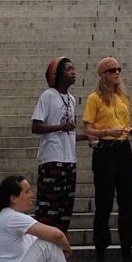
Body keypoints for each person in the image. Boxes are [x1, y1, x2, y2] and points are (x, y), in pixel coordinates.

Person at [82, 55, 132, 262]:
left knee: (129, 200)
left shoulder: (123, 98)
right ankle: (100, 252)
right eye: (112, 70)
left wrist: (129, 131)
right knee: (104, 200)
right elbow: (87, 129)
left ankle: (128, 250)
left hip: (123, 147)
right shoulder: (94, 98)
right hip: (105, 148)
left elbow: (123, 122)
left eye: (118, 69)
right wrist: (107, 131)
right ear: (103, 75)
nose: (116, 73)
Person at [30, 57, 81, 235]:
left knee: (65, 208)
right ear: (58, 74)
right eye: (68, 69)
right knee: (48, 208)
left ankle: (58, 247)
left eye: (73, 69)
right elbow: (35, 126)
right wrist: (60, 127)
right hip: (52, 159)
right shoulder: (48, 96)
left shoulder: (72, 99)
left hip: (69, 159)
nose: (73, 72)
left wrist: (89, 136)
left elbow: (70, 132)